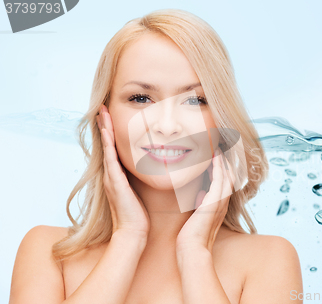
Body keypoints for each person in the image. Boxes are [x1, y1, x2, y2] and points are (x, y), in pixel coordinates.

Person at [9, 8, 303, 304]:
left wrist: (195, 254)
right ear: (104, 116)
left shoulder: (269, 261)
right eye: (140, 98)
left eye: (195, 100)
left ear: (222, 121)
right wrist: (128, 237)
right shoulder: (48, 252)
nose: (166, 126)